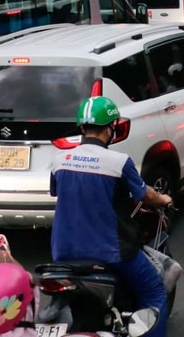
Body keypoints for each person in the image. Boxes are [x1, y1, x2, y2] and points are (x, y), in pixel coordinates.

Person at [50, 96, 173, 337]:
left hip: (63, 253)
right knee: (155, 293)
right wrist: (164, 199)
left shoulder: (59, 161)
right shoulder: (119, 162)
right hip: (111, 251)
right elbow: (145, 195)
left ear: (82, 128)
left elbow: (58, 191)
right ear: (111, 128)